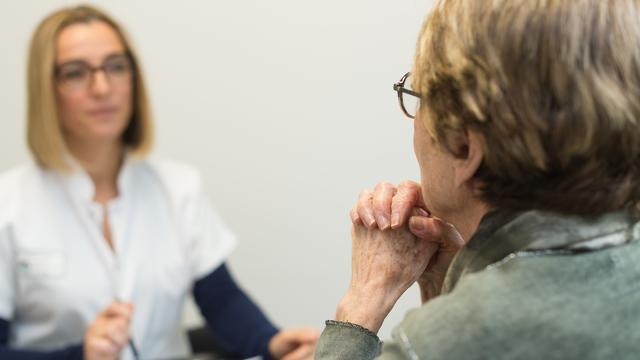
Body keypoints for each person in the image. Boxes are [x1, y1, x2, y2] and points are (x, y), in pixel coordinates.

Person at [315, 0, 640, 358]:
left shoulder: (442, 343)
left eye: (417, 97)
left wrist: (363, 300)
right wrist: (453, 285)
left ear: (463, 145)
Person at [0, 5, 318, 360]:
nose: (102, 87)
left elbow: (222, 302)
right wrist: (81, 355)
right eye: (76, 73)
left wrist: (271, 343)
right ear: (46, 88)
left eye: (116, 67)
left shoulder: (178, 188)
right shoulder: (9, 205)